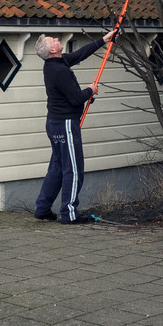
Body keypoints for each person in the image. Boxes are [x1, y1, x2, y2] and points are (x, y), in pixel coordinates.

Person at [33, 29, 117, 224]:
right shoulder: (59, 71)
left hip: (54, 124)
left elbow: (79, 55)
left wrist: (103, 40)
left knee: (56, 167)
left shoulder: (55, 63)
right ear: (52, 49)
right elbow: (76, 98)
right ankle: (69, 214)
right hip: (65, 125)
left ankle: (43, 208)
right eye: (52, 39)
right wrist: (91, 90)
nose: (56, 38)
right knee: (73, 168)